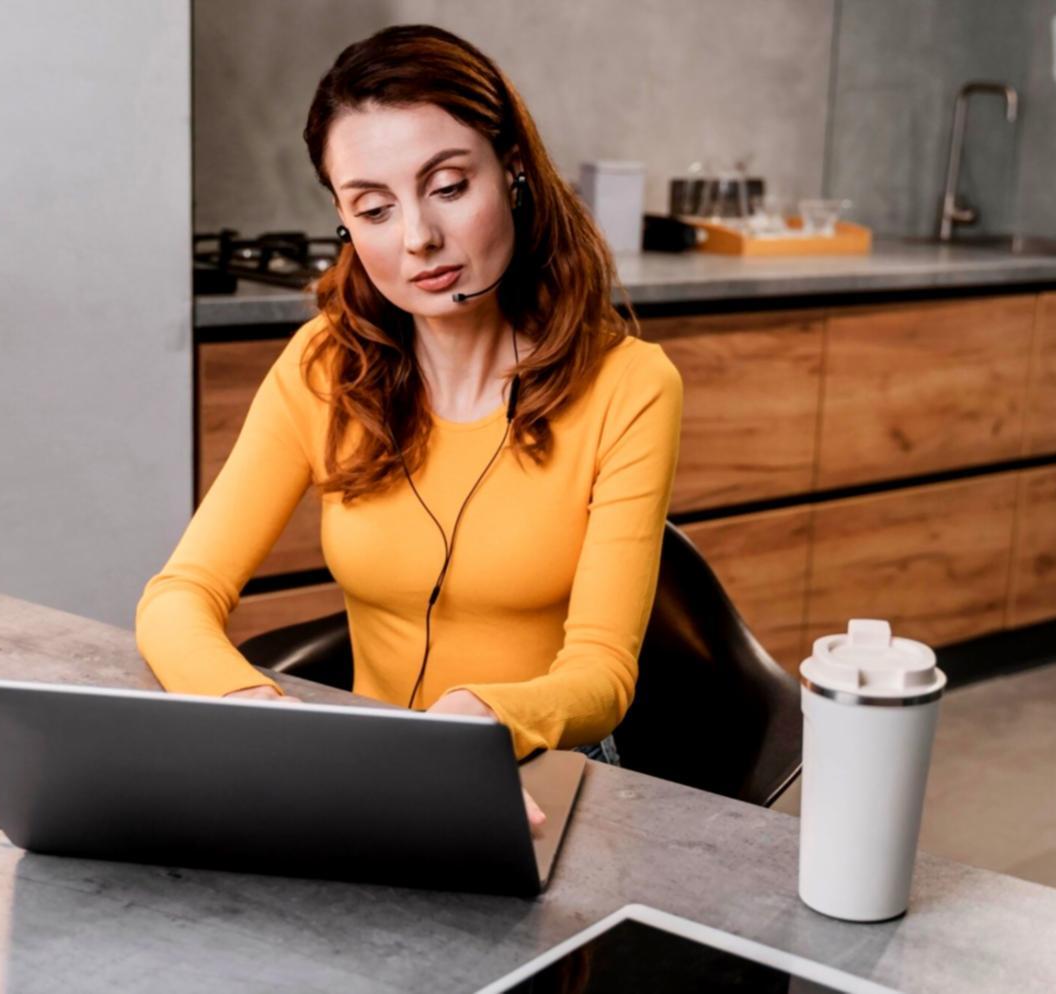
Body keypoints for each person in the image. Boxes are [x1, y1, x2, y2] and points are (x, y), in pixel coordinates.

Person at [136, 24, 682, 825]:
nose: (418, 238)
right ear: (344, 222)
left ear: (514, 170)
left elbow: (602, 675)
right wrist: (251, 707)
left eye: (449, 186)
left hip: (544, 768)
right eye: (374, 208)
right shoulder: (324, 365)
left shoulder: (630, 385)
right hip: (367, 772)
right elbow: (178, 595)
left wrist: (480, 718)